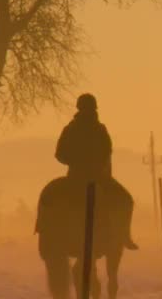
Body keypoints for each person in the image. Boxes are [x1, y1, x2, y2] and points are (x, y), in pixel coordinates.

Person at [56, 93, 138, 249]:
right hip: (98, 178)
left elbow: (59, 154)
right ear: (94, 109)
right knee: (126, 200)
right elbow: (107, 151)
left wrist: (74, 160)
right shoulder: (100, 129)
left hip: (74, 176)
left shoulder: (70, 129)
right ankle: (124, 236)